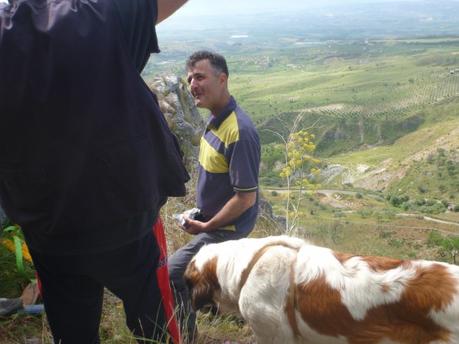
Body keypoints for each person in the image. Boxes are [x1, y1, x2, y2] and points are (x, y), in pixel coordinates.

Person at [0, 0, 190, 343]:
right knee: (156, 326)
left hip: (48, 229)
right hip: (126, 219)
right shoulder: (102, 12)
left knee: (73, 334)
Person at [168, 51, 261, 343]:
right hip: (213, 220)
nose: (193, 84)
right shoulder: (215, 120)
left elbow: (245, 198)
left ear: (223, 79)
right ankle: (214, 304)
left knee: (173, 273)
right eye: (190, 78)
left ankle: (187, 337)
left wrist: (208, 226)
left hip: (227, 228)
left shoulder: (240, 132)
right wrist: (199, 212)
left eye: (200, 77)